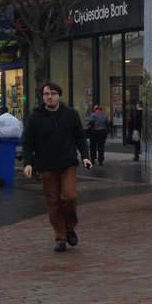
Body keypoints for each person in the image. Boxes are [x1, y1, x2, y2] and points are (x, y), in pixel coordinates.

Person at [22, 81, 93, 252]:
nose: (50, 97)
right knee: (53, 202)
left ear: (59, 95)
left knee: (69, 197)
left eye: (53, 93)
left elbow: (80, 137)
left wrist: (85, 157)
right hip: (46, 165)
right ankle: (60, 237)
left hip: (67, 162)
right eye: (46, 94)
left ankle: (70, 227)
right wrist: (28, 163)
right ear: (42, 97)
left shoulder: (71, 114)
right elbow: (28, 142)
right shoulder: (35, 117)